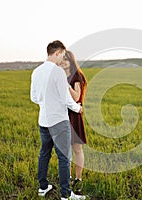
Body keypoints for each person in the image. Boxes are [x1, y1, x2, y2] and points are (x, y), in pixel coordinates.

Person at [30, 40, 86, 200]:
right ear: (57, 52)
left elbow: (34, 98)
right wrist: (78, 109)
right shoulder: (58, 72)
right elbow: (66, 99)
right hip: (59, 121)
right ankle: (66, 195)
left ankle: (43, 187)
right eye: (62, 54)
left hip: (43, 121)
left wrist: (47, 101)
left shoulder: (36, 71)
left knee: (44, 154)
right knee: (64, 157)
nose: (63, 58)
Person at [60, 51, 87, 195]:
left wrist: (66, 85)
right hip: (62, 115)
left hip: (74, 116)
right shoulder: (59, 75)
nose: (64, 62)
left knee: (77, 149)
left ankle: (78, 179)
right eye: (62, 60)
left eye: (66, 60)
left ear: (71, 61)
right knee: (65, 150)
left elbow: (76, 98)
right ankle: (68, 177)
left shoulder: (77, 76)